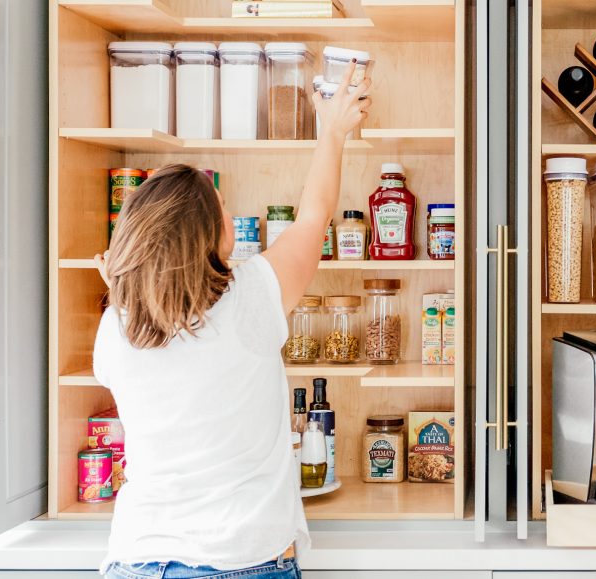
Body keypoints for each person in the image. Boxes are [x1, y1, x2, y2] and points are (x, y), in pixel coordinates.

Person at [93, 63, 371, 579]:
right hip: (237, 561)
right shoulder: (250, 299)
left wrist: (119, 289)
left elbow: (154, 332)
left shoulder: (117, 326)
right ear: (209, 238)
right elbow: (314, 215)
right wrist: (332, 128)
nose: (230, 215)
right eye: (223, 211)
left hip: (135, 557)